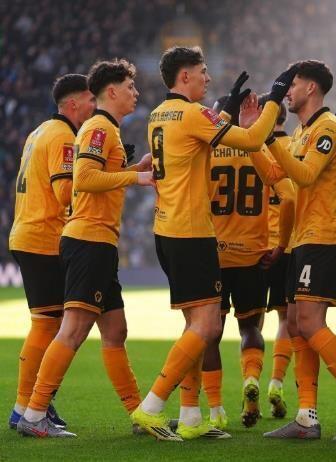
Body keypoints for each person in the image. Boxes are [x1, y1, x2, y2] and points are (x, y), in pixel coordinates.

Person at [130, 45, 296, 441]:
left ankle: (191, 417)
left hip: (167, 229)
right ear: (184, 75)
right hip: (191, 233)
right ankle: (151, 406)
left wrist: (225, 111)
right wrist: (273, 100)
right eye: (202, 71)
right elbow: (252, 139)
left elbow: (196, 140)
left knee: (196, 327)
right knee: (207, 325)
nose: (207, 77)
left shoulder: (159, 114)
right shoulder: (192, 114)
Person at [16, 60, 155, 438]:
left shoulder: (103, 129)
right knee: (71, 329)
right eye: (130, 87)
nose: (136, 93)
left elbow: (99, 177)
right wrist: (138, 177)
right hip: (87, 240)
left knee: (115, 330)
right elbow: (85, 178)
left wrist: (132, 168)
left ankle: (139, 415)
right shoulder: (97, 128)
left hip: (101, 241)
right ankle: (33, 413)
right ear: (111, 91)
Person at [247, 60, 336, 441]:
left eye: (292, 85)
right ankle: (307, 416)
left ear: (310, 88)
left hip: (324, 236)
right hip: (302, 239)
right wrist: (258, 138)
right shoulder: (300, 131)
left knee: (308, 322)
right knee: (294, 324)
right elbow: (274, 175)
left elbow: (305, 175)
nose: (287, 93)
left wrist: (271, 139)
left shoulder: (328, 127)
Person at [198, 94, 295, 429]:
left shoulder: (207, 151)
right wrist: (282, 244)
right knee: (252, 328)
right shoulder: (261, 150)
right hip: (253, 253)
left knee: (209, 333)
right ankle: (254, 378)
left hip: (212, 254)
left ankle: (215, 411)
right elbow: (288, 196)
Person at [8, 74, 96, 431]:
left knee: (50, 325)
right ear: (73, 104)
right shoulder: (63, 136)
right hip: (43, 237)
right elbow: (64, 194)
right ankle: (27, 408)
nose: (94, 105)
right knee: (48, 326)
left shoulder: (39, 132)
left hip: (28, 233)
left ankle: (32, 405)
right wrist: (102, 178)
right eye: (90, 99)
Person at [256, 93, 297, 420]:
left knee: (251, 322)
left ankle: (250, 383)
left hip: (255, 247)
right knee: (286, 320)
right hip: (289, 246)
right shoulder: (295, 147)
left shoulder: (250, 149)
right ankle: (277, 381)